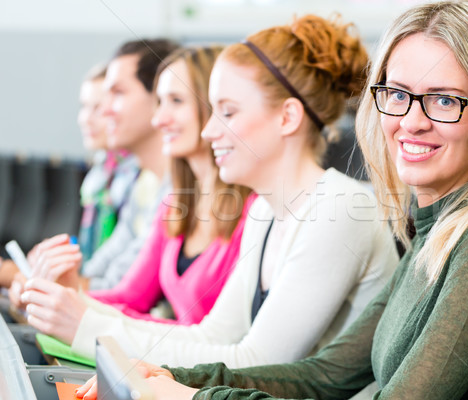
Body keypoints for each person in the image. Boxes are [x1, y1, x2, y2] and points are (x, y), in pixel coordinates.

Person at [77, 1, 468, 399]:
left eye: (445, 100)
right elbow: (324, 376)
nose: (411, 121)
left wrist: (188, 397)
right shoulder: (435, 230)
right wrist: (161, 374)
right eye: (397, 94)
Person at [36, 14, 398, 374]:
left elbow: (258, 364)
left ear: (287, 117)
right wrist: (79, 310)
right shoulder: (264, 214)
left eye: (227, 112)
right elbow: (212, 337)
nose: (209, 131)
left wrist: (88, 327)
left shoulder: (342, 208)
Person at [18, 46, 254, 340]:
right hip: (174, 366)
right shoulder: (176, 203)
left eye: (176, 101)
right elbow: (130, 296)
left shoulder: (252, 209)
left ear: (216, 107)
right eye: (159, 102)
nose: (159, 119)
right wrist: (62, 297)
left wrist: (77, 308)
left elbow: (214, 340)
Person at [14, 39, 180, 297]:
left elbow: (129, 292)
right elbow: (103, 271)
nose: (104, 110)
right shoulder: (145, 183)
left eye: (118, 93)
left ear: (159, 98)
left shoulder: (177, 190)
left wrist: (50, 290)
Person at [76, 64, 139, 263]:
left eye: (98, 109)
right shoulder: (101, 170)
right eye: (84, 107)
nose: (85, 119)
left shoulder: (138, 173)